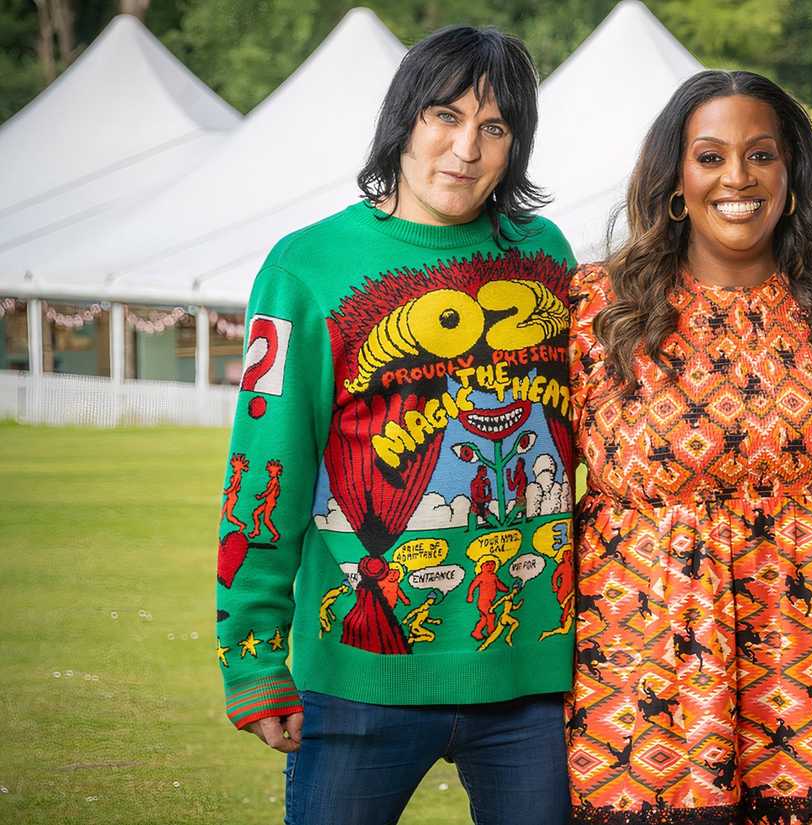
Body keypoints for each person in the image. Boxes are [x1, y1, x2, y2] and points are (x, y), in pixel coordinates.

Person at [212, 26, 578, 825]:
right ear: (404, 120)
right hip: (358, 680)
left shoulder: (547, 256)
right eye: (445, 116)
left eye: (494, 127)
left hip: (530, 681)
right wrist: (253, 658)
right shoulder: (307, 266)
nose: (465, 149)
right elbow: (266, 466)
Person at [565, 69, 812, 824]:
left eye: (761, 155)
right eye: (710, 157)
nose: (737, 177)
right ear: (676, 181)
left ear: (791, 177)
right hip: (648, 669)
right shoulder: (599, 307)